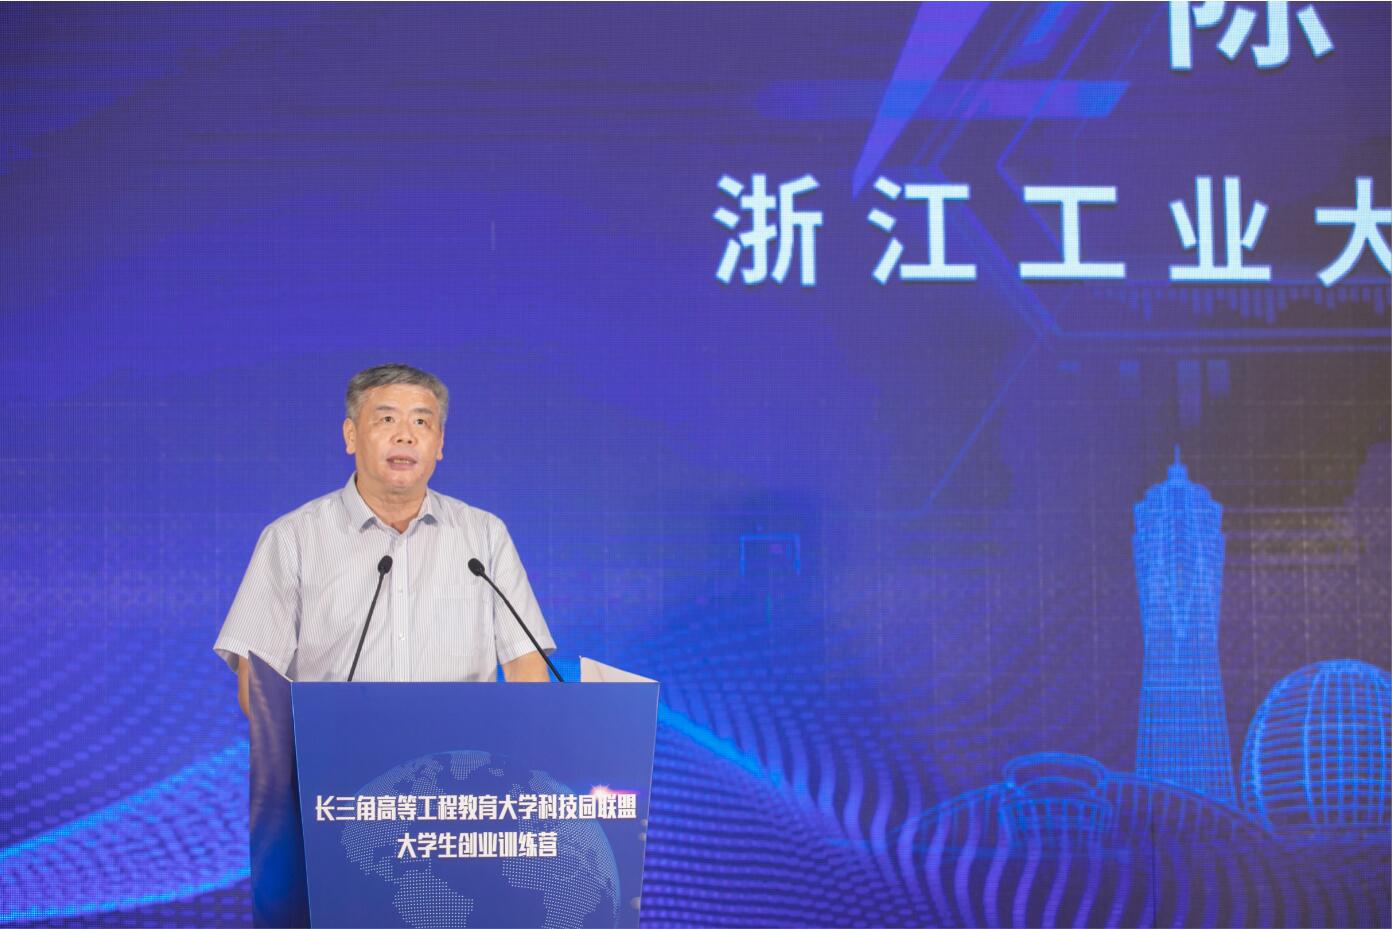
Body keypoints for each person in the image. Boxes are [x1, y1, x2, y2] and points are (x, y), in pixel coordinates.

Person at [213, 363, 555, 715]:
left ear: (440, 443)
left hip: (462, 748)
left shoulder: (485, 536)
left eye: (421, 422)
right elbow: (258, 682)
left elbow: (526, 666)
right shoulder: (292, 539)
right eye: (387, 419)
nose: (405, 436)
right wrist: (308, 745)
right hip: (337, 747)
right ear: (350, 435)